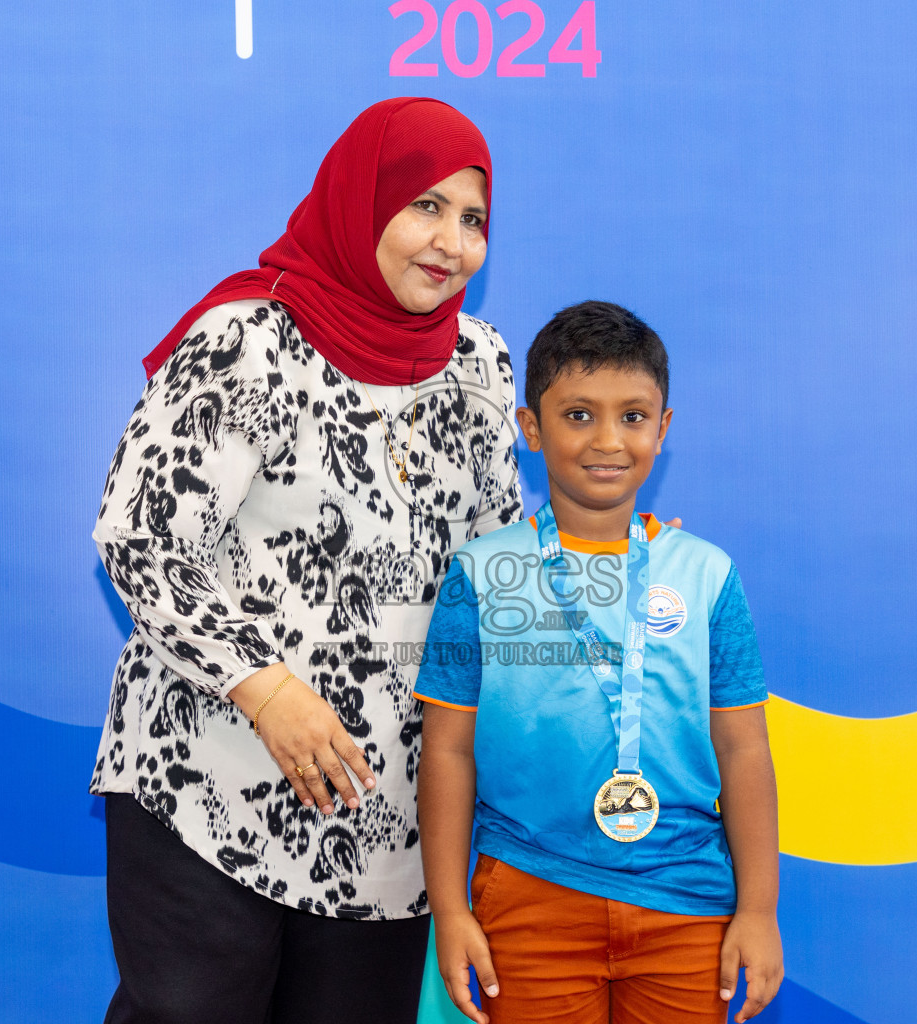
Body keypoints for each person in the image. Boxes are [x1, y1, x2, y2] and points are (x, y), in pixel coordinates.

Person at [89, 97, 522, 1024]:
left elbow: (493, 563)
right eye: (424, 206)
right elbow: (140, 537)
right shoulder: (251, 340)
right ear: (361, 202)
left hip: (389, 817)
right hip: (215, 782)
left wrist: (602, 567)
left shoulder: (481, 364)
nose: (451, 241)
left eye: (474, 218)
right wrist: (266, 688)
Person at [414, 300, 785, 1024]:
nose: (608, 440)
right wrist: (451, 910)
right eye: (578, 415)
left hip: (685, 905)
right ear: (531, 429)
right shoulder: (480, 576)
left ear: (663, 428)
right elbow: (448, 751)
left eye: (633, 416)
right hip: (526, 897)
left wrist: (760, 910)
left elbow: (744, 747)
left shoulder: (707, 575)